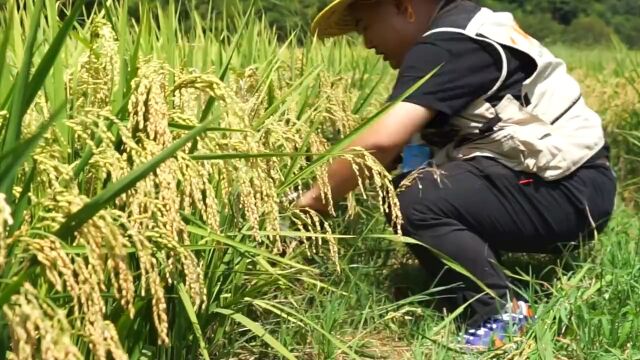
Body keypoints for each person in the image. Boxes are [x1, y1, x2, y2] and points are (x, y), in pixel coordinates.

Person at [295, 0, 617, 349]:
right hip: (573, 184)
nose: (367, 44)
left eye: (364, 26)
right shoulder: (466, 26)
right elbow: (398, 151)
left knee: (415, 199)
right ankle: (481, 274)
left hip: (570, 190)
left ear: (405, 8)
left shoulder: (449, 42)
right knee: (418, 182)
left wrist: (314, 202)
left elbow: (380, 144)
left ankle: (500, 316)